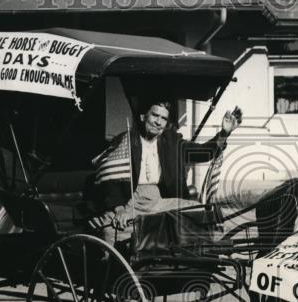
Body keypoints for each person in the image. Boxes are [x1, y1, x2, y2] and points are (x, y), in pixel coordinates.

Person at [88, 100, 242, 243]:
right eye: (155, 115)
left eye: (163, 118)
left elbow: (202, 153)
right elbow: (109, 178)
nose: (158, 122)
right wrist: (120, 209)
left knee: (199, 211)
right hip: (129, 200)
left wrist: (224, 133)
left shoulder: (171, 141)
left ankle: (200, 258)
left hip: (158, 201)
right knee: (112, 231)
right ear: (143, 116)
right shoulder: (126, 140)